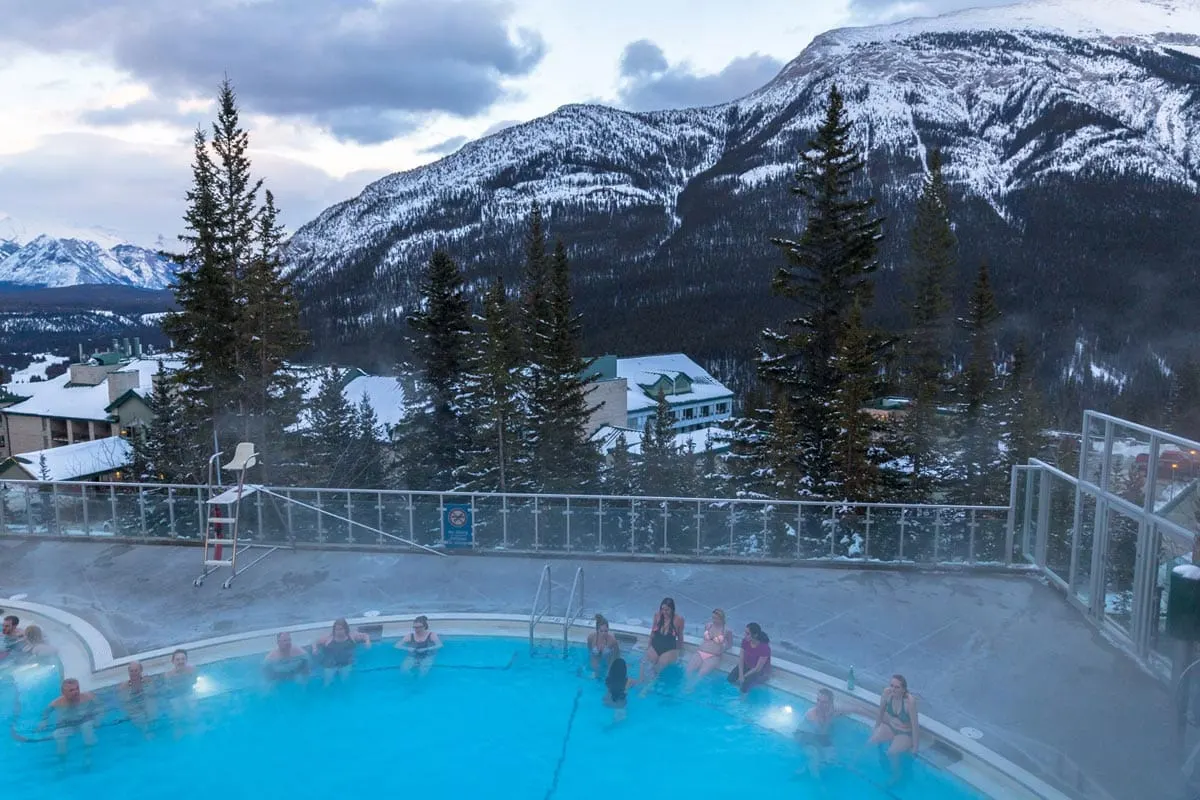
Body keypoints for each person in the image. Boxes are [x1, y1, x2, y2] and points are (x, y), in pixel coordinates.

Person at [867, 674, 919, 785]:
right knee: (871, 741)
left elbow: (915, 726)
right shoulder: (887, 693)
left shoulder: (910, 701)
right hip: (891, 727)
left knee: (892, 753)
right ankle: (861, 762)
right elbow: (880, 711)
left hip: (904, 733)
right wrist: (876, 727)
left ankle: (896, 775)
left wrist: (915, 748)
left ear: (904, 689)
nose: (893, 689)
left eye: (897, 687)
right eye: (892, 686)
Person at [38, 678, 100, 759]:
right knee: (59, 737)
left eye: (77, 688)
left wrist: (98, 718)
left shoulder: (87, 697)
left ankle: (88, 757)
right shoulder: (57, 703)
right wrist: (44, 721)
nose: (76, 692)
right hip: (66, 724)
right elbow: (45, 713)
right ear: (63, 693)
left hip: (83, 720)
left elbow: (100, 707)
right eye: (71, 690)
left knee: (88, 731)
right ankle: (62, 762)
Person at [795, 688, 849, 777]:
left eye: (824, 702)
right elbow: (821, 734)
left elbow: (857, 709)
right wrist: (828, 718)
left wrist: (878, 718)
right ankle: (818, 785)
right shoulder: (812, 714)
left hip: (818, 737)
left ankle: (806, 769)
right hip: (804, 736)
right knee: (815, 757)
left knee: (831, 760)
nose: (819, 704)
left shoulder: (832, 710)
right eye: (818, 700)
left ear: (830, 703)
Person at [639, 597, 685, 689]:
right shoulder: (657, 615)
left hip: (669, 648)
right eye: (662, 609)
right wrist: (649, 646)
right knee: (645, 664)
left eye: (667, 610)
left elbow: (680, 637)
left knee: (658, 669)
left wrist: (680, 651)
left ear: (672, 609)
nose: (664, 612)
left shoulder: (679, 620)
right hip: (656, 645)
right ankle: (641, 682)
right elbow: (652, 632)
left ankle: (648, 688)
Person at [315, 617, 371, 684]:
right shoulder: (329, 638)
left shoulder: (352, 636)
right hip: (330, 664)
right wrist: (314, 649)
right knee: (327, 683)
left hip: (346, 662)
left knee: (345, 682)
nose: (338, 631)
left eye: (341, 629)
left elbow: (365, 635)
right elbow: (315, 642)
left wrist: (367, 642)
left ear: (345, 629)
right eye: (336, 629)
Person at [685, 608, 730, 689]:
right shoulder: (708, 626)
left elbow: (730, 644)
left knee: (700, 674)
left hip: (713, 656)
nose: (714, 620)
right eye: (713, 618)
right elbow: (705, 639)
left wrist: (722, 650)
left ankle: (689, 689)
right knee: (688, 671)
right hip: (700, 652)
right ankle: (684, 687)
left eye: (716, 618)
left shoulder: (726, 630)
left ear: (722, 619)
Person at [727, 622, 771, 695]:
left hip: (758, 671)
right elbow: (741, 659)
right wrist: (741, 674)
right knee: (730, 679)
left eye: (747, 634)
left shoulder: (764, 648)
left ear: (755, 635)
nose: (745, 635)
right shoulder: (745, 641)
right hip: (746, 665)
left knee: (744, 688)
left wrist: (743, 676)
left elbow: (758, 668)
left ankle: (743, 701)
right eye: (745, 632)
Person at [119, 661, 158, 735]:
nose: (134, 673)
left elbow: (153, 694)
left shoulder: (147, 681)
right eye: (131, 671)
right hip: (133, 707)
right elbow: (124, 701)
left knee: (152, 717)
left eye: (136, 670)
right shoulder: (124, 686)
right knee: (141, 724)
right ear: (128, 672)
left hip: (145, 702)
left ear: (141, 670)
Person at [587, 614, 620, 679]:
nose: (604, 633)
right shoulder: (591, 637)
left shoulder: (612, 640)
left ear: (608, 629)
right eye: (601, 631)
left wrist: (612, 668)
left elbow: (617, 655)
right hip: (595, 663)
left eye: (606, 631)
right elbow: (589, 650)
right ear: (597, 630)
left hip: (607, 663)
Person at [603, 658, 635, 722]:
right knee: (620, 722)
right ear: (624, 670)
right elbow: (639, 682)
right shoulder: (628, 681)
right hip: (620, 705)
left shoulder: (608, 679)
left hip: (607, 702)